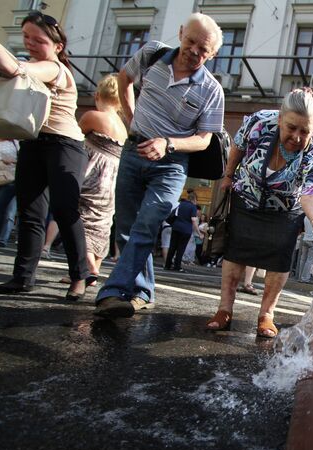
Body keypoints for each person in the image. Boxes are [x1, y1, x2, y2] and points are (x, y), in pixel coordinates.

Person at [93, 13, 225, 318]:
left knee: (147, 224)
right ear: (181, 34)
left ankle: (113, 292)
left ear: (213, 54)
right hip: (133, 150)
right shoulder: (152, 54)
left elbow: (204, 139)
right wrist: (131, 118)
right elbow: (123, 80)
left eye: (203, 49)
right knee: (126, 229)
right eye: (191, 41)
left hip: (171, 164)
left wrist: (168, 143)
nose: (194, 51)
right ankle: (144, 290)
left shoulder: (211, 90)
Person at [205, 88, 313, 335]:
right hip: (247, 198)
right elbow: (239, 146)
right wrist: (229, 175)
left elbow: (311, 191)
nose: (297, 137)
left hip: (284, 210)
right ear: (279, 119)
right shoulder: (259, 122)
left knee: (278, 261)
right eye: (291, 127)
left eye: (304, 131)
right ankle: (225, 309)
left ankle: (266, 314)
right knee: (235, 254)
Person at [0, 13, 90, 301]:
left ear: (57, 45)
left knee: (65, 209)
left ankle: (81, 276)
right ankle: (22, 278)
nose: (30, 43)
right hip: (32, 142)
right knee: (30, 213)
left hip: (65, 145)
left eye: (38, 40)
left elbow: (9, 66)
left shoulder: (55, 69)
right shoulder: (33, 65)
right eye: (26, 37)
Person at [69, 73, 127, 284]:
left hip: (93, 174)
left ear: (97, 94)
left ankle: (88, 268)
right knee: (101, 223)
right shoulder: (122, 126)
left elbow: (74, 138)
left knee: (80, 219)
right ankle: (93, 271)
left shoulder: (93, 116)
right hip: (113, 180)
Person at [164, 192, 199, 272]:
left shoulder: (180, 204)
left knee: (172, 247)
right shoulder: (193, 207)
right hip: (186, 230)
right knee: (181, 249)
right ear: (194, 199)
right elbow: (193, 220)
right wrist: (199, 233)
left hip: (176, 227)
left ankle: (167, 265)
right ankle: (177, 266)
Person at [297, 216, 313, 283]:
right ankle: (305, 278)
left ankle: (300, 277)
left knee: (303, 259)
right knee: (310, 260)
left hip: (305, 238)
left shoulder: (306, 217)